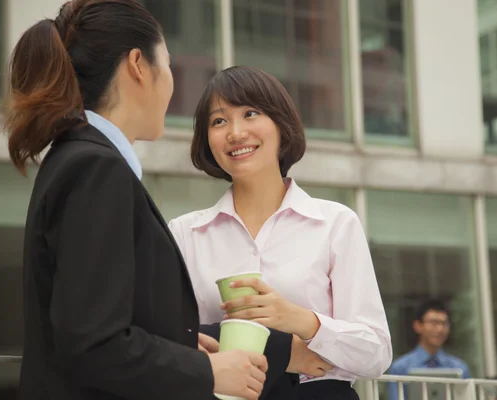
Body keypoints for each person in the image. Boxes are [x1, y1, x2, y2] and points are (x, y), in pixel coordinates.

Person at [4, 1, 268, 399]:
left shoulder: (80, 158)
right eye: (167, 61)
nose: (172, 80)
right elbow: (93, 344)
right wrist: (205, 370)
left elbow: (93, 323)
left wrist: (170, 346)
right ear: (138, 65)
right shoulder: (95, 168)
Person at [168, 65, 393, 400]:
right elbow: (170, 341)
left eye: (250, 113)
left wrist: (303, 321)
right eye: (218, 121)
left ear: (281, 124)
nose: (236, 132)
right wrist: (285, 349)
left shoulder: (334, 223)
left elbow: (375, 354)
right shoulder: (185, 232)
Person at [386, 300, 470, 400]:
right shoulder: (400, 368)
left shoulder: (459, 368)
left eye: (444, 323)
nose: (440, 329)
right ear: (418, 326)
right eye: (433, 323)